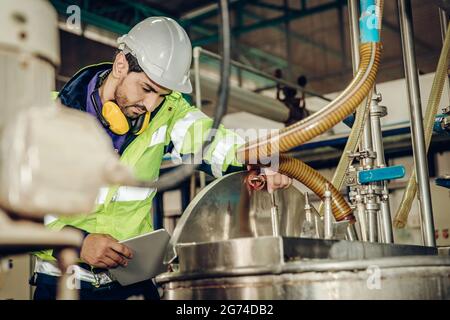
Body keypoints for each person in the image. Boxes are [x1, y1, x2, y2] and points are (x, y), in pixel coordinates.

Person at [31, 17, 292, 300]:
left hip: (133, 281)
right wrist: (77, 243)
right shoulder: (47, 117)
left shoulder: (167, 112)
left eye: (162, 94)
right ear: (121, 65)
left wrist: (261, 161)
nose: (150, 105)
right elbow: (16, 211)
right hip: (63, 285)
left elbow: (211, 140)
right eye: (146, 88)